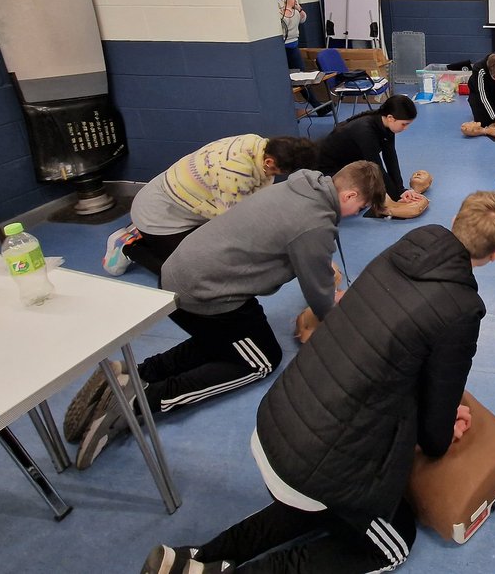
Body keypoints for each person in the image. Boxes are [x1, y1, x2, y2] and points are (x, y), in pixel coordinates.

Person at [138, 191, 495, 574]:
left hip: (277, 419)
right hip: (311, 463)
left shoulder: (410, 246)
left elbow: (394, 351)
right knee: (392, 542)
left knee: (316, 507)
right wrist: (441, 430)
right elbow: (435, 436)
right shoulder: (462, 308)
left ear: (455, 220)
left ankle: (197, 559)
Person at [69, 161, 386, 470]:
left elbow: (300, 247)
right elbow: (320, 298)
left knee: (226, 344)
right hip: (205, 293)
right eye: (359, 208)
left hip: (179, 273)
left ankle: (134, 373)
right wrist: (338, 310)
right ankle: (139, 402)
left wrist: (320, 270)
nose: (355, 214)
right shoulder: (315, 224)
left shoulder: (301, 186)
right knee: (261, 360)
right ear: (349, 195)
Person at [108, 134, 317, 276]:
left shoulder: (260, 144)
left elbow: (259, 201)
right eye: (282, 172)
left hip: (189, 203)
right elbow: (236, 224)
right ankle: (129, 247)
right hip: (160, 215)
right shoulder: (234, 172)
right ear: (270, 162)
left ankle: (146, 235)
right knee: (192, 273)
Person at [316, 95, 422, 208]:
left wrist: (400, 190)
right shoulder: (365, 130)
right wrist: (395, 196)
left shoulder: (386, 125)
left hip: (349, 164)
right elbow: (376, 167)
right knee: (362, 197)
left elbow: (390, 158)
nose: (405, 128)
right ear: (390, 118)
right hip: (328, 171)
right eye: (404, 124)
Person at [275, 0, 306, 71]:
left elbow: (303, 19)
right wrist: (288, 7)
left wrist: (298, 8)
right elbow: (282, 24)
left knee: (301, 73)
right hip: (281, 46)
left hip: (294, 43)